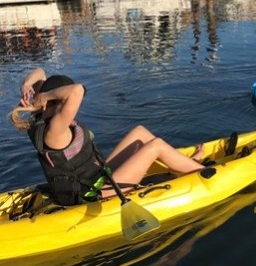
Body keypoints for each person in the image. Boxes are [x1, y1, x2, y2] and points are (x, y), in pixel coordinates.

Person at [11, 67, 204, 206]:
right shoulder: (55, 128)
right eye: (62, 101)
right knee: (156, 146)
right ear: (52, 102)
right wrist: (44, 96)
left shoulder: (45, 115)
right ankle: (204, 172)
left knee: (139, 132)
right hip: (92, 193)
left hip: (97, 176)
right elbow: (77, 91)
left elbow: (39, 71)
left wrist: (28, 85)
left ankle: (184, 164)